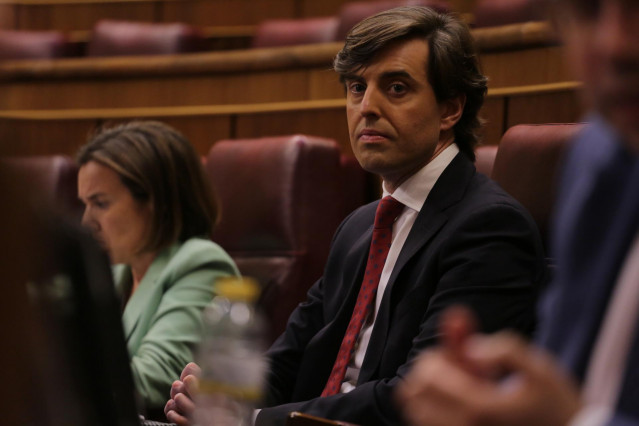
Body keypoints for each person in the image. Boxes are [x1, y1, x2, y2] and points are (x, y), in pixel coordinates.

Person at [165, 6, 547, 425]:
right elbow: (293, 354)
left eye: (396, 88)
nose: (367, 107)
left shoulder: (488, 227)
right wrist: (221, 397)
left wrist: (253, 421)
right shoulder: (360, 226)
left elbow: (419, 397)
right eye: (356, 87)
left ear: (450, 110)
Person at [397, 0, 639, 425]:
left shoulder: (487, 223)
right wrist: (483, 400)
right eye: (588, 12)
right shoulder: (600, 160)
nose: (617, 46)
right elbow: (561, 381)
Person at [76, 121, 240, 414]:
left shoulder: (201, 263)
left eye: (100, 203)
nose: (86, 223)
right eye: (84, 205)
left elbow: (152, 382)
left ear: (156, 202)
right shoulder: (115, 272)